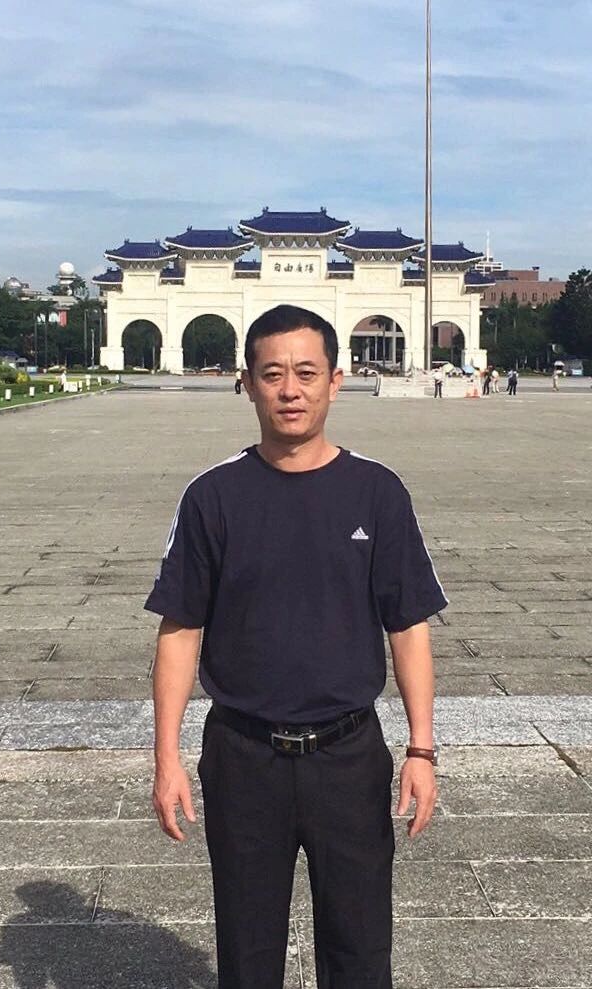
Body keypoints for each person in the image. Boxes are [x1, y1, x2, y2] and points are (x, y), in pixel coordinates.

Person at [147, 304, 447, 989]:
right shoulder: (213, 497)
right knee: (247, 955)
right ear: (247, 384)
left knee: (360, 952)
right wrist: (166, 758)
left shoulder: (376, 492)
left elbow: (407, 626)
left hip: (348, 754)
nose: (290, 390)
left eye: (307, 373)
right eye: (273, 373)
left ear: (336, 381)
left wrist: (422, 749)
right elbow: (180, 630)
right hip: (243, 755)